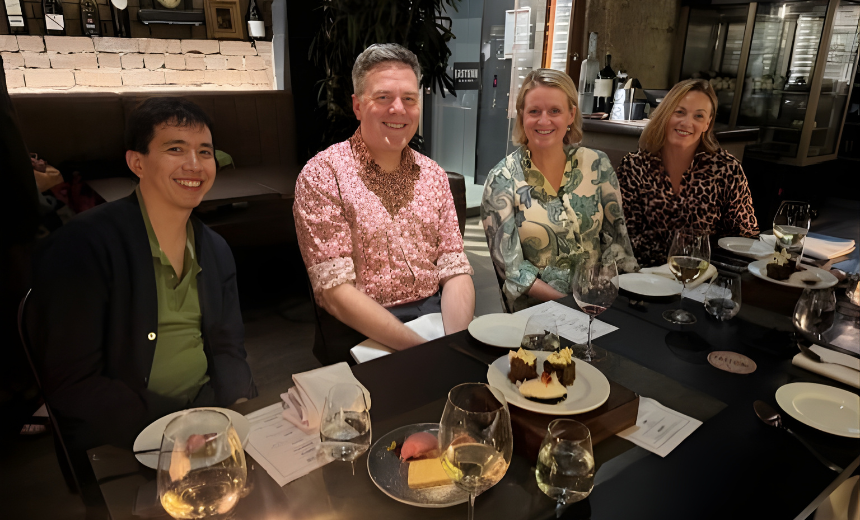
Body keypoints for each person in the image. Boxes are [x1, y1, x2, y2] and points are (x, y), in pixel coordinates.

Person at [27, 97, 256, 462]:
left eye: (205, 151)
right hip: (120, 438)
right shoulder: (84, 245)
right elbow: (72, 381)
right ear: (137, 162)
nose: (194, 164)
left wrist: (239, 411)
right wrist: (174, 428)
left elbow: (228, 347)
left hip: (207, 419)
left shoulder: (216, 249)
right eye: (175, 149)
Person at [294, 43, 475, 365]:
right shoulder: (323, 175)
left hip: (437, 320)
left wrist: (454, 345)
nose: (398, 109)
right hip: (360, 331)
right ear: (358, 105)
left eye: (409, 99)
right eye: (383, 98)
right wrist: (421, 351)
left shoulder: (433, 174)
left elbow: (454, 267)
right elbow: (334, 290)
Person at [481, 69, 639, 312]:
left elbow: (618, 246)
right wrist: (571, 305)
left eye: (555, 111)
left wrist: (619, 301)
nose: (544, 121)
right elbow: (513, 272)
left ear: (571, 115)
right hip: (536, 312)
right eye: (534, 111)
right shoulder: (501, 179)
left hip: (601, 304)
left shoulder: (598, 165)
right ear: (521, 115)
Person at [615, 79, 759, 267]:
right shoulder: (633, 166)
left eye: (698, 116)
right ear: (666, 114)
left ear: (707, 123)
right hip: (643, 280)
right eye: (680, 112)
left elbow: (745, 237)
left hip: (702, 280)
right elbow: (622, 236)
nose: (687, 123)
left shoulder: (727, 169)